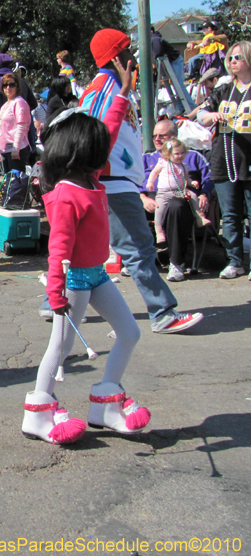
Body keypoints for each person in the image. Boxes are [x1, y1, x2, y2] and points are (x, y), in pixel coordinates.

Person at [23, 98, 148, 444]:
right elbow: (58, 249)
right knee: (60, 350)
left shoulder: (92, 180)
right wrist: (55, 292)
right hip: (74, 280)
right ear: (81, 151)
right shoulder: (66, 193)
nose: (105, 150)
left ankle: (106, 402)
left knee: (130, 332)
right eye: (98, 147)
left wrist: (122, 95)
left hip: (97, 275)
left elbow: (109, 127)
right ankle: (38, 410)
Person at [80, 28, 203, 333]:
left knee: (86, 251)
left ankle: (59, 303)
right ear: (116, 56)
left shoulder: (112, 85)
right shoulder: (105, 88)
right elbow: (95, 135)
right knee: (138, 248)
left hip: (112, 181)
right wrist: (90, 176)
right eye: (128, 50)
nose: (134, 56)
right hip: (111, 183)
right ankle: (162, 312)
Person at [197, 40, 251, 280]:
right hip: (224, 158)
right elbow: (201, 114)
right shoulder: (224, 89)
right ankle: (235, 261)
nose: (232, 62)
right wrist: (210, 116)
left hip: (248, 158)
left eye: (238, 57)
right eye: (230, 58)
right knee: (230, 214)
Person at [141, 121, 212, 281]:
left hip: (182, 199)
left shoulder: (192, 156)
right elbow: (134, 182)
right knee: (129, 205)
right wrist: (143, 197)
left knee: (176, 205)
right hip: (152, 199)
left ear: (174, 136)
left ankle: (176, 263)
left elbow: (210, 179)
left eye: (162, 136)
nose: (157, 139)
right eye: (154, 136)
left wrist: (204, 194)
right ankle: (137, 261)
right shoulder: (147, 158)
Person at [151, 29, 195, 113]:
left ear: (151, 31)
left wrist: (156, 56)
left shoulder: (154, 39)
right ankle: (181, 106)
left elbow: (158, 52)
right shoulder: (154, 39)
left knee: (179, 85)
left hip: (175, 61)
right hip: (172, 61)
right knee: (176, 86)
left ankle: (191, 106)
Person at [0, 72, 32, 174]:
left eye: (11, 85)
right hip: (6, 149)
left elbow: (21, 126)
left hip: (17, 149)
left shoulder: (19, 102)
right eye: (5, 85)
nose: (8, 88)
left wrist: (16, 148)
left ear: (17, 86)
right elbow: (1, 129)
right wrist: (0, 149)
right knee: (9, 183)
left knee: (16, 183)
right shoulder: (5, 105)